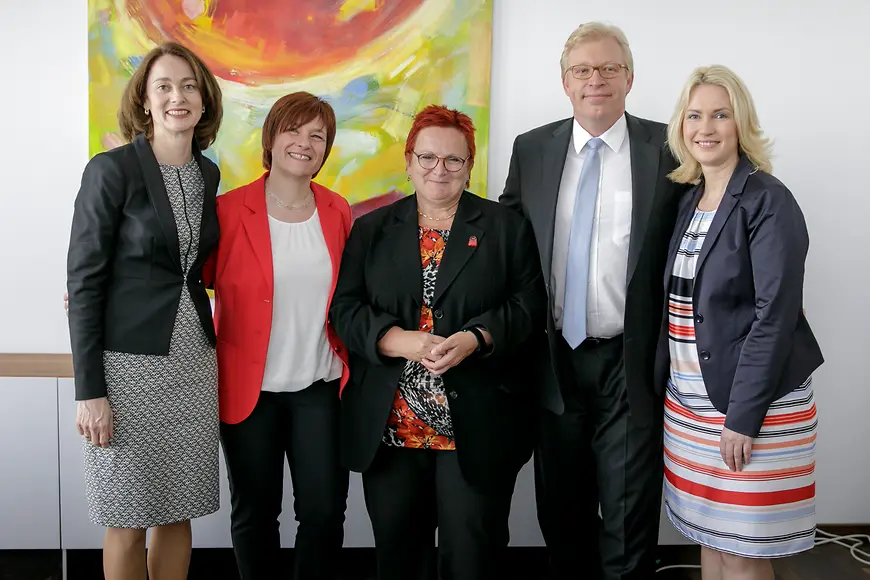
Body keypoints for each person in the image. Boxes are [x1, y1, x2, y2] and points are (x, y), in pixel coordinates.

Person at [499, 22, 689, 579]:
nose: (596, 80)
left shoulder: (669, 146)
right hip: (553, 359)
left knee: (629, 515)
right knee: (562, 513)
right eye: (582, 70)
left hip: (629, 362)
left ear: (629, 77)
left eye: (609, 68)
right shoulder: (532, 148)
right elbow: (510, 240)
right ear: (565, 82)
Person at [330, 105, 545, 580]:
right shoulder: (371, 230)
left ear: (470, 165)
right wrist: (393, 339)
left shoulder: (505, 228)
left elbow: (528, 307)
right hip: (391, 426)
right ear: (408, 161)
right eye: (427, 157)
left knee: (473, 558)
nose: (439, 170)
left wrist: (475, 338)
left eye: (453, 160)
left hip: (477, 424)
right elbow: (345, 309)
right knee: (398, 556)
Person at [656, 64, 823, 580]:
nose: (706, 127)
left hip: (752, 406)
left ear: (741, 123)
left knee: (745, 552)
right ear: (681, 127)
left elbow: (775, 316)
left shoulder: (768, 198)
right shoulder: (690, 199)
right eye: (695, 115)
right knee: (712, 540)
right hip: (691, 406)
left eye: (720, 115)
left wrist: (742, 417)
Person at [65, 42, 223, 580]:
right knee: (127, 516)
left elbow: (195, 269)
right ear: (146, 100)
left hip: (193, 366)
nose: (177, 96)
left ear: (204, 103)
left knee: (179, 512)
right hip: (126, 370)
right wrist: (90, 391)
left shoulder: (209, 175)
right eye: (164, 86)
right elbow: (84, 283)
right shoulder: (111, 170)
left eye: (188, 86)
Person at [204, 92, 352, 580]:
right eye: (294, 130)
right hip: (250, 393)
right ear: (272, 138)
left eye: (318, 136)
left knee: (325, 514)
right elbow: (177, 276)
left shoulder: (337, 211)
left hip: (319, 388)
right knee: (255, 515)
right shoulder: (227, 211)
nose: (304, 143)